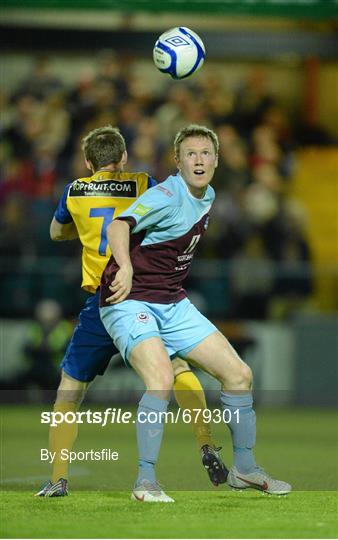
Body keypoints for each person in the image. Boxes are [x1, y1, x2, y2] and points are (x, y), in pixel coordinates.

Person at [99, 124, 292, 502]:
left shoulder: (209, 195)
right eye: (191, 154)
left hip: (171, 301)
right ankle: (145, 480)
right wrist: (124, 265)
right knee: (160, 378)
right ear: (178, 161)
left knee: (239, 375)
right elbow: (119, 225)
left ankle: (245, 470)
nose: (199, 160)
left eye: (206, 153)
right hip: (129, 298)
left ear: (216, 161)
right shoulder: (166, 194)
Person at [36, 125, 227, 497]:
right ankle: (206, 444)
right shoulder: (144, 183)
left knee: (70, 389)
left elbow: (55, 234)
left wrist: (86, 228)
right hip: (143, 294)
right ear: (123, 158)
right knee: (176, 369)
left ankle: (58, 477)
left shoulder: (74, 190)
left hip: (101, 300)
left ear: (89, 162)